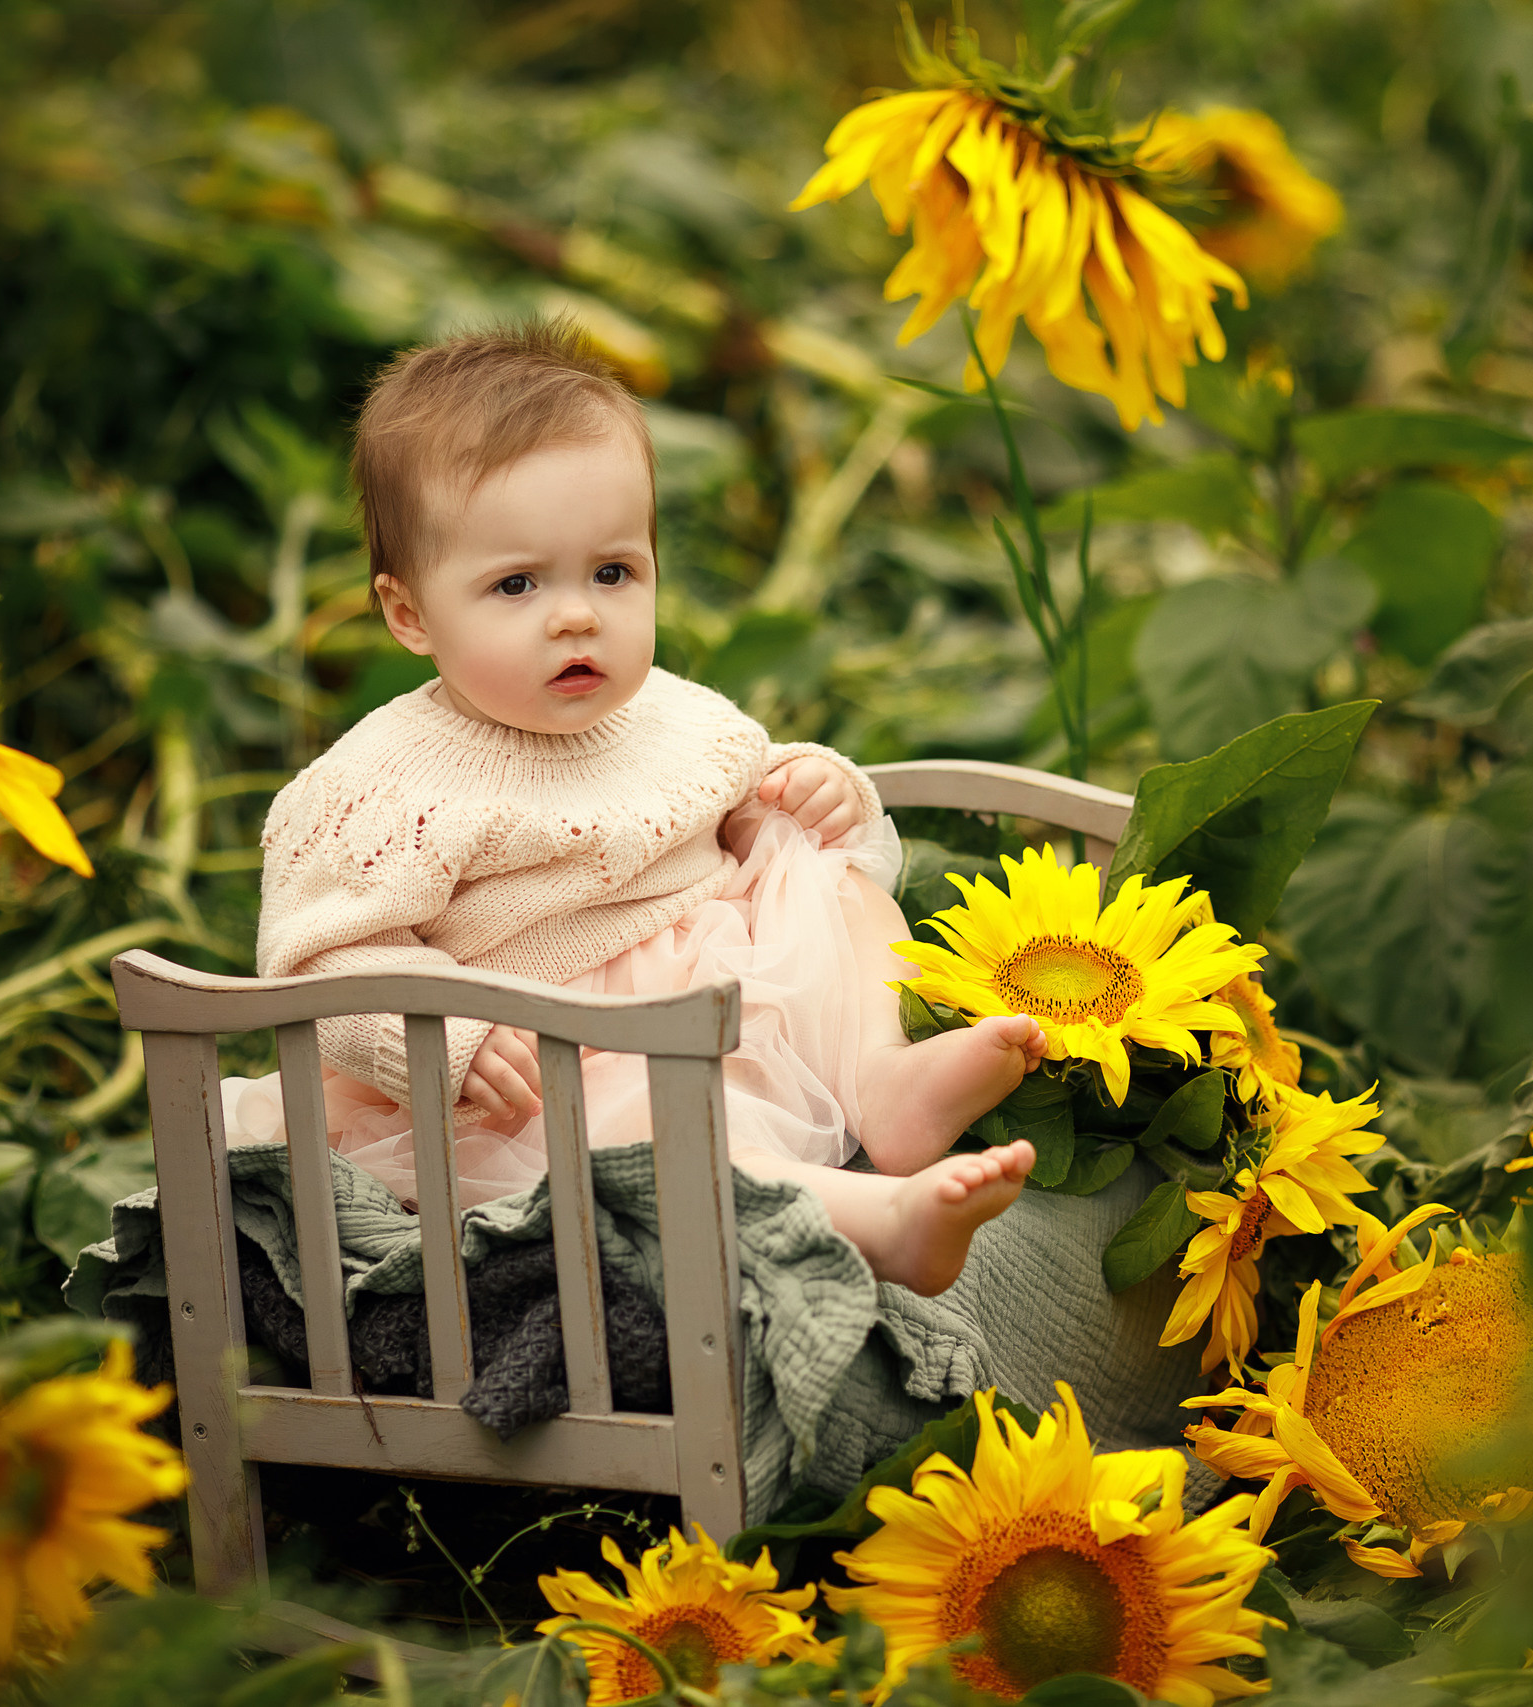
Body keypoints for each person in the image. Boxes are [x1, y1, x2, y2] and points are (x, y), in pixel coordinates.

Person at [234, 320, 1042, 1295]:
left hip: (731, 1005)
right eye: (516, 583)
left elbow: (733, 794)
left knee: (806, 853)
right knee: (646, 1147)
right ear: (409, 614)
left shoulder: (671, 716)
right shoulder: (385, 783)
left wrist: (807, 786)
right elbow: (319, 955)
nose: (577, 614)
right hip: (545, 1074)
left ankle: (882, 1077)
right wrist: (448, 1041)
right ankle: (880, 1221)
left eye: (612, 572)